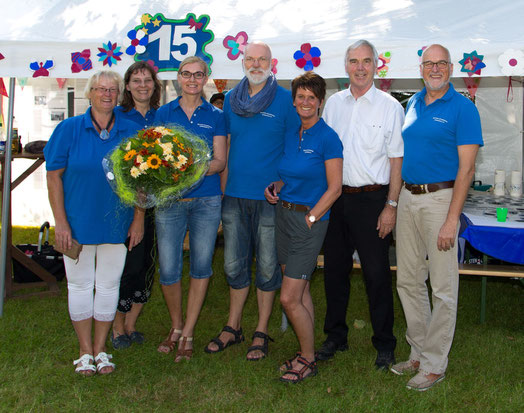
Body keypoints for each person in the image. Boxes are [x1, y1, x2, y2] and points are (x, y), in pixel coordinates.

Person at [392, 44, 483, 391]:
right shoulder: (413, 102)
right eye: (428, 64)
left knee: (443, 286)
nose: (434, 69)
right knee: (409, 280)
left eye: (440, 63)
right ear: (421, 67)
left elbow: (468, 169)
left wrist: (452, 219)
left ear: (450, 67)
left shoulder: (463, 108)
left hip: (442, 200)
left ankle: (434, 365)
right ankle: (418, 351)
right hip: (409, 197)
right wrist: (395, 200)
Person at [45, 70, 144, 375]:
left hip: (117, 222)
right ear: (89, 93)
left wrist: (139, 219)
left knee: (108, 286)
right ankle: (84, 351)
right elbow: (53, 177)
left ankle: (101, 350)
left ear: (119, 95)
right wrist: (60, 223)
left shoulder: (130, 130)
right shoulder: (69, 129)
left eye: (112, 90)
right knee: (79, 285)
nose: (106, 94)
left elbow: (143, 181)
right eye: (101, 89)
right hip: (76, 224)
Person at [205, 41, 300, 360]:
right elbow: (226, 147)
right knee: (233, 265)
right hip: (233, 195)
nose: (255, 64)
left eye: (262, 59)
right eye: (250, 59)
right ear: (242, 62)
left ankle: (261, 330)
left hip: (270, 200)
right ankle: (233, 327)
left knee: (268, 267)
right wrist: (221, 191)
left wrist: (283, 181)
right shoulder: (231, 99)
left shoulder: (287, 100)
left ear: (272, 63)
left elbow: (294, 148)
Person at [317, 39, 404, 370]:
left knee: (377, 275)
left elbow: (397, 160)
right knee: (334, 272)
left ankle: (385, 343)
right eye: (354, 61)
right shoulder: (334, 105)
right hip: (336, 199)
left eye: (366, 61)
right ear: (346, 66)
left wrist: (391, 205)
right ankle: (335, 336)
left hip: (373, 200)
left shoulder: (390, 106)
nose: (360, 67)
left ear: (376, 65)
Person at [264, 72, 342, 382]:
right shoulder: (291, 133)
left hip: (309, 223)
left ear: (320, 102)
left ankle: (309, 358)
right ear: (294, 101)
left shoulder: (328, 137)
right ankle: (304, 351)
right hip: (283, 216)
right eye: (300, 97)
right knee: (301, 289)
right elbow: (292, 173)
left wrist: (312, 218)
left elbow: (334, 188)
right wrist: (278, 185)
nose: (305, 102)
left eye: (311, 97)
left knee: (288, 297)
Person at [154, 56, 227, 362]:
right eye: (187, 74)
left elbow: (220, 161)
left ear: (206, 78)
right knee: (169, 269)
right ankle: (176, 325)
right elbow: (153, 158)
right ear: (179, 77)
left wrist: (185, 167)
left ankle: (189, 331)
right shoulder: (163, 112)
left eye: (199, 75)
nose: (193, 79)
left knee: (201, 267)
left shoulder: (216, 115)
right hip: (170, 203)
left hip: (207, 202)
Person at [110, 61, 163, 349]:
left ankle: (131, 325)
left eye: (147, 80)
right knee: (127, 266)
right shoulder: (116, 117)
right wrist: (137, 212)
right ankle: (117, 328)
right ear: (127, 86)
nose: (142, 85)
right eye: (136, 80)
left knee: (147, 263)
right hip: (123, 205)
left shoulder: (161, 116)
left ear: (155, 85)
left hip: (155, 204)